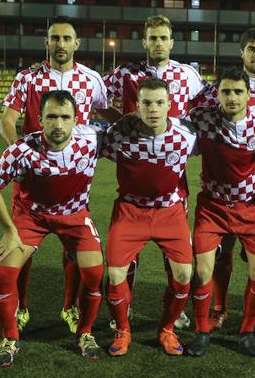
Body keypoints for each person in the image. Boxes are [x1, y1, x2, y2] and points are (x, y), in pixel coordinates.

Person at [0, 16, 108, 335]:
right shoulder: (28, 78)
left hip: (74, 176)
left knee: (75, 246)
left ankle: (70, 307)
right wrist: (19, 154)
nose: (60, 44)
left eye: (66, 38)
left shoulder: (91, 79)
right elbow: (7, 120)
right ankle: (20, 306)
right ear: (46, 42)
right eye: (54, 38)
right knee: (22, 245)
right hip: (32, 179)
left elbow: (106, 112)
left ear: (77, 43)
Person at [0, 91, 105, 367]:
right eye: (51, 117)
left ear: (77, 120)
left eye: (65, 117)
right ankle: (9, 338)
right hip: (32, 217)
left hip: (74, 216)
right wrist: (10, 230)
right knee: (4, 271)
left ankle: (85, 333)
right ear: (39, 119)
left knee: (95, 273)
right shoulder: (21, 149)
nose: (58, 124)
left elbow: (130, 132)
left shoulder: (94, 139)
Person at [103, 14, 204, 330]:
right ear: (144, 41)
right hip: (135, 164)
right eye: (153, 37)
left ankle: (177, 307)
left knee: (173, 244)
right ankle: (126, 305)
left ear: (172, 42)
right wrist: (121, 120)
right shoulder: (125, 74)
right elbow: (96, 100)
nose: (158, 43)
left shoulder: (187, 75)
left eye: (163, 37)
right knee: (127, 248)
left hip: (172, 172)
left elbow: (201, 110)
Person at [192, 27, 255, 331]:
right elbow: (196, 117)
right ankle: (219, 307)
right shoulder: (217, 87)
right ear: (242, 52)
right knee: (224, 247)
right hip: (224, 173)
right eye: (251, 49)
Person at [102, 78, 197, 357]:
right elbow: (83, 143)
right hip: (131, 211)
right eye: (146, 103)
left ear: (169, 104)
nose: (153, 108)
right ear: (136, 105)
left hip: (170, 212)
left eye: (159, 102)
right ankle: (122, 329)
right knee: (116, 273)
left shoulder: (187, 134)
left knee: (184, 274)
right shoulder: (118, 135)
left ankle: (167, 328)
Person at [185, 67, 255, 357]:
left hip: (251, 207)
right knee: (203, 270)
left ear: (249, 94)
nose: (232, 97)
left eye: (238, 91)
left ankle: (246, 332)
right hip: (213, 207)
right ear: (217, 93)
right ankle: (201, 331)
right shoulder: (202, 117)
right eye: (226, 91)